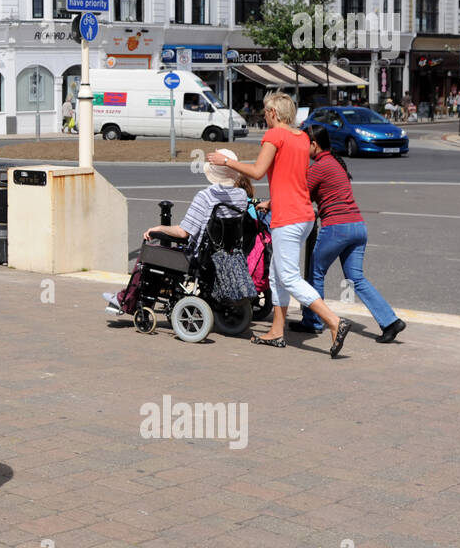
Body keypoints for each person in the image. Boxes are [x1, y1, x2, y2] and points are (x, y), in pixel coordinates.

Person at [207, 91, 353, 356]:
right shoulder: (302, 137)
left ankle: (334, 321)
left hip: (288, 218)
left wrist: (225, 161)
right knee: (276, 276)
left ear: (274, 113)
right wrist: (272, 202)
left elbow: (258, 172)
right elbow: (293, 178)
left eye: (265, 111)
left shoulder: (274, 135)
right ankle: (276, 331)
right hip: (304, 215)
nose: (264, 116)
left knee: (288, 277)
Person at [290, 126, 406, 343]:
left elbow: (298, 194)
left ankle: (312, 321)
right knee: (356, 278)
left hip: (337, 228)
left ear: (314, 145)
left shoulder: (318, 168)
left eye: (305, 145)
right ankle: (390, 321)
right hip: (358, 227)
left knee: (315, 273)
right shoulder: (334, 164)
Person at [104, 149, 253, 311]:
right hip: (224, 256)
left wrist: (158, 228)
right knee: (161, 254)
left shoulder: (205, 196)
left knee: (149, 254)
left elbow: (183, 233)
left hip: (198, 259)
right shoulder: (241, 196)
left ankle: (126, 301)